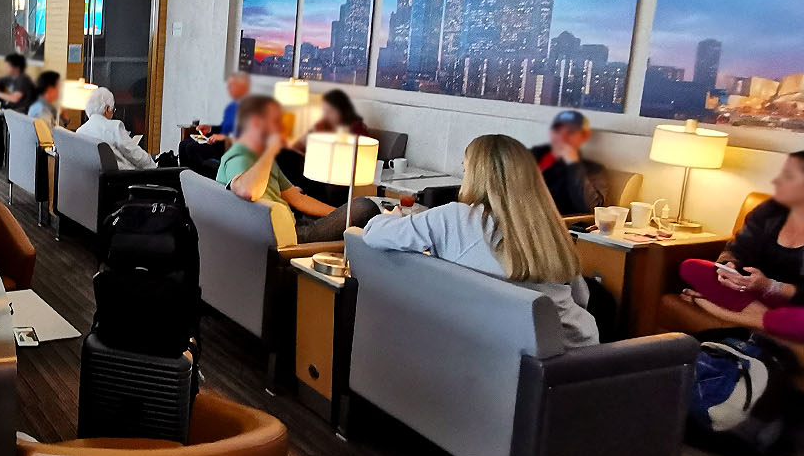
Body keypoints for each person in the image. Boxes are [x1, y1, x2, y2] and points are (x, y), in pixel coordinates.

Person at [361, 134, 599, 348]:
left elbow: (372, 233)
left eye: (465, 171)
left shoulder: (455, 217)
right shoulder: (551, 229)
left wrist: (391, 217)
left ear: (475, 175)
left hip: (503, 355)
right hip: (579, 352)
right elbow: (582, 300)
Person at [679, 150, 804, 345]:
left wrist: (771, 286)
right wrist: (728, 267)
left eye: (789, 176)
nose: (777, 181)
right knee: (692, 266)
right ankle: (770, 320)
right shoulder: (769, 211)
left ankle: (716, 308)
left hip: (802, 303)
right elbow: (737, 249)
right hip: (754, 293)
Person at [216, 95, 380, 244]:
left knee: (361, 211)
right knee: (365, 207)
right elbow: (248, 190)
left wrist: (339, 215)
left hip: (294, 223)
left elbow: (298, 199)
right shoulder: (241, 155)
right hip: (286, 236)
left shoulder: (262, 158)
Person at [531, 110, 608, 216]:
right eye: (558, 130)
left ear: (584, 136)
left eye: (571, 132)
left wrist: (573, 164)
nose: (562, 137)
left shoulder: (593, 170)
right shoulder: (531, 156)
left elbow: (590, 207)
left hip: (556, 223)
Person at [178, 73, 250, 174]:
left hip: (228, 148)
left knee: (191, 147)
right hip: (219, 142)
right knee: (183, 144)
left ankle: (196, 180)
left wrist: (222, 137)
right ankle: (182, 178)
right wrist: (210, 129)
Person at [76, 87, 157, 170]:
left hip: (94, 178)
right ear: (106, 109)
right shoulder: (114, 127)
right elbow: (135, 155)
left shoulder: (80, 132)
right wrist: (154, 167)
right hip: (123, 178)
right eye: (113, 110)